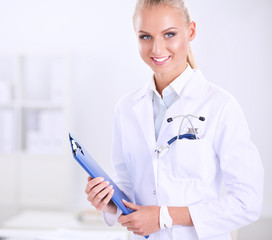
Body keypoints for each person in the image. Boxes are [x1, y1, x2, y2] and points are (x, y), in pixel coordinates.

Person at [84, 0, 264, 239]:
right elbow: (127, 185)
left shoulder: (220, 106)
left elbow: (247, 202)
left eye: (169, 34)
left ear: (191, 32)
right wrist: (110, 203)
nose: (157, 49)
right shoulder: (126, 108)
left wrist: (164, 216)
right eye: (145, 37)